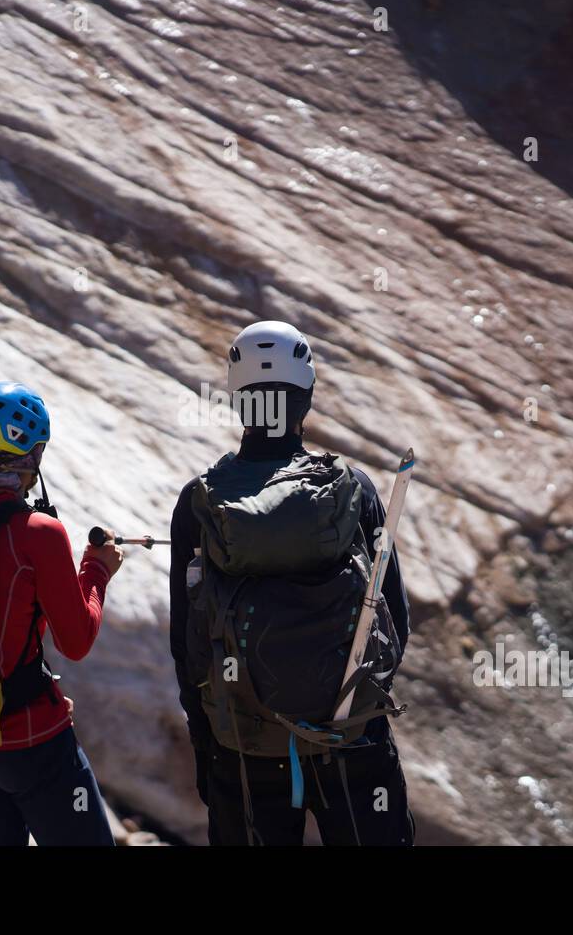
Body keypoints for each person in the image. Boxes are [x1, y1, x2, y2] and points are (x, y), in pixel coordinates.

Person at [169, 321, 416, 845]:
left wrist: (207, 744)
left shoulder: (201, 503)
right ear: (306, 396)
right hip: (350, 735)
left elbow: (185, 646)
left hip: (244, 746)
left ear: (239, 401)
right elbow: (395, 619)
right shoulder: (352, 491)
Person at [0, 381, 123, 846]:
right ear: (32, 455)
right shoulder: (39, 531)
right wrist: (96, 571)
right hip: (28, 741)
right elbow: (76, 642)